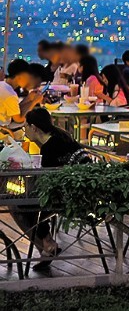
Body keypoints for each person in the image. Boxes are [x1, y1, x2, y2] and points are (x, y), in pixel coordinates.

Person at [13, 108, 89, 267]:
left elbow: (47, 186)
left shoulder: (49, 148)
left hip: (70, 196)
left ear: (34, 127)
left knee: (18, 205)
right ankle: (47, 242)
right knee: (29, 201)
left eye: (25, 126)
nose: (24, 130)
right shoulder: (62, 136)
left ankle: (46, 247)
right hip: (84, 189)